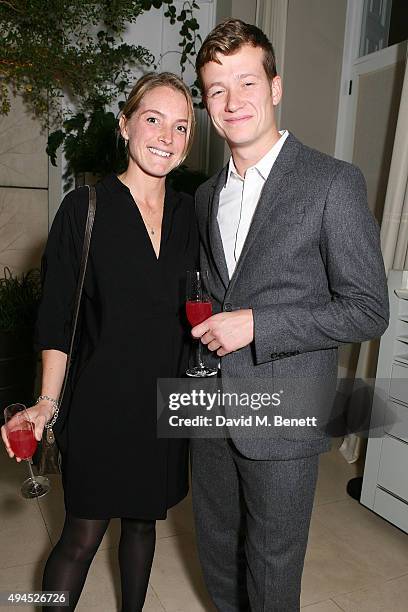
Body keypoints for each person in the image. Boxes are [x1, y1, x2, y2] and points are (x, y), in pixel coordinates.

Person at [189, 19, 389, 612]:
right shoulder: (203, 196)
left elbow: (368, 309)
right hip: (209, 410)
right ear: (206, 104)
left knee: (274, 567)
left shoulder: (333, 183)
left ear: (275, 88)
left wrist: (259, 325)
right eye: (217, 89)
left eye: (246, 82)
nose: (233, 100)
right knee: (217, 551)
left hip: (285, 410)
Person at [1, 72, 198, 612]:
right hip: (100, 406)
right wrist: (46, 401)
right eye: (153, 119)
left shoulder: (191, 216)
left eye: (181, 127)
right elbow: (57, 320)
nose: (166, 136)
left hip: (165, 406)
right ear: (125, 124)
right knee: (80, 539)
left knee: (143, 526)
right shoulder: (83, 209)